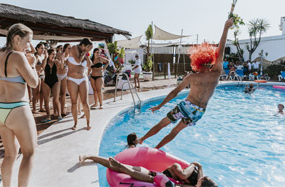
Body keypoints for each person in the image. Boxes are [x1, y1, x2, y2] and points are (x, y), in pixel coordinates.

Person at [137, 16, 235, 149]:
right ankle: (155, 149)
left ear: (197, 61)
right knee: (175, 131)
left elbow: (174, 92)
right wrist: (226, 28)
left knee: (163, 123)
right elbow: (221, 50)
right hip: (199, 111)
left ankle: (142, 139)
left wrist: (160, 106)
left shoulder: (192, 77)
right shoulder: (216, 74)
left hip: (186, 106)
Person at [0, 23, 40, 187]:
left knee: (10, 155)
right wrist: (33, 65)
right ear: (16, 38)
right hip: (17, 109)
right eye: (28, 41)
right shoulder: (18, 57)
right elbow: (33, 83)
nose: (30, 46)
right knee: (29, 153)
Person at [77, 155, 215, 187]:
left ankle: (90, 157)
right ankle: (89, 156)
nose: (200, 180)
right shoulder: (195, 178)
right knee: (119, 166)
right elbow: (195, 172)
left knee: (119, 166)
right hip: (160, 175)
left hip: (157, 176)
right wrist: (199, 167)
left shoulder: (192, 185)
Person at [66, 39, 93, 130]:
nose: (89, 50)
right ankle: (75, 123)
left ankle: (88, 123)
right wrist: (85, 53)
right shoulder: (74, 48)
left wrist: (88, 56)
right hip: (72, 79)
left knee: (85, 102)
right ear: (84, 45)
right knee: (74, 102)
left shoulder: (85, 53)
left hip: (83, 78)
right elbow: (78, 61)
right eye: (89, 47)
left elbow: (89, 65)